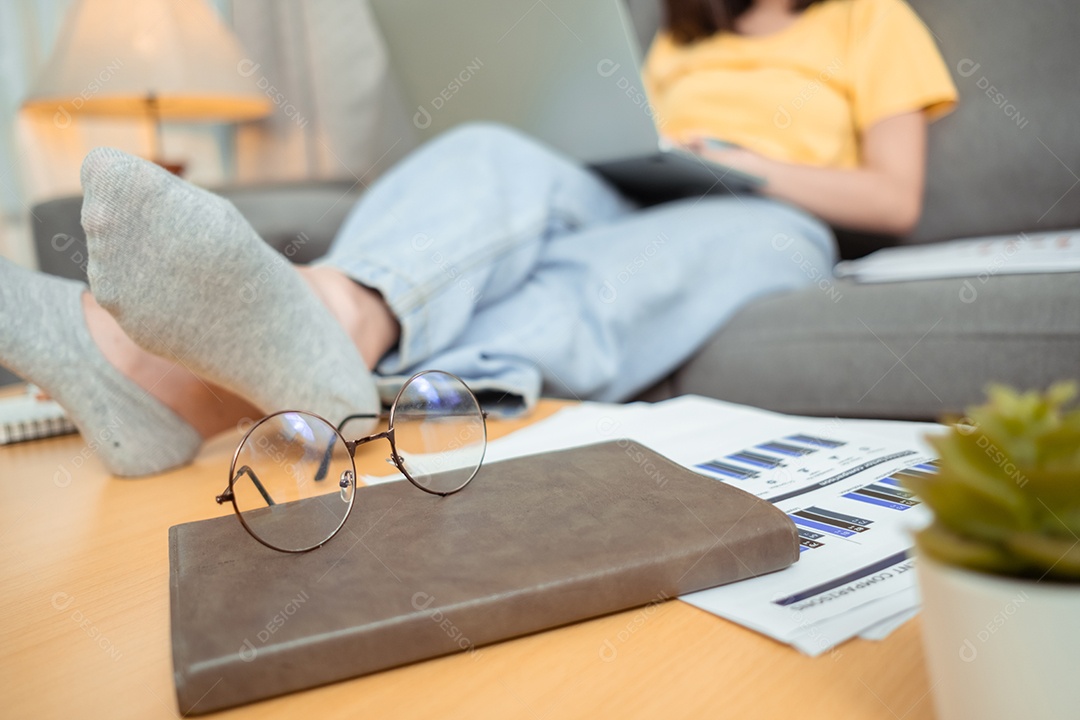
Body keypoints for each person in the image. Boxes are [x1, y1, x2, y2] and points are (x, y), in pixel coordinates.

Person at [0, 0, 956, 477]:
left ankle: (173, 384)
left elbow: (894, 196)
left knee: (596, 285)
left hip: (771, 215)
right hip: (633, 185)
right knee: (488, 149)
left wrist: (739, 158)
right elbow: (623, 130)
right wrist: (645, 147)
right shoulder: (683, 36)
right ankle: (332, 311)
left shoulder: (870, 17)